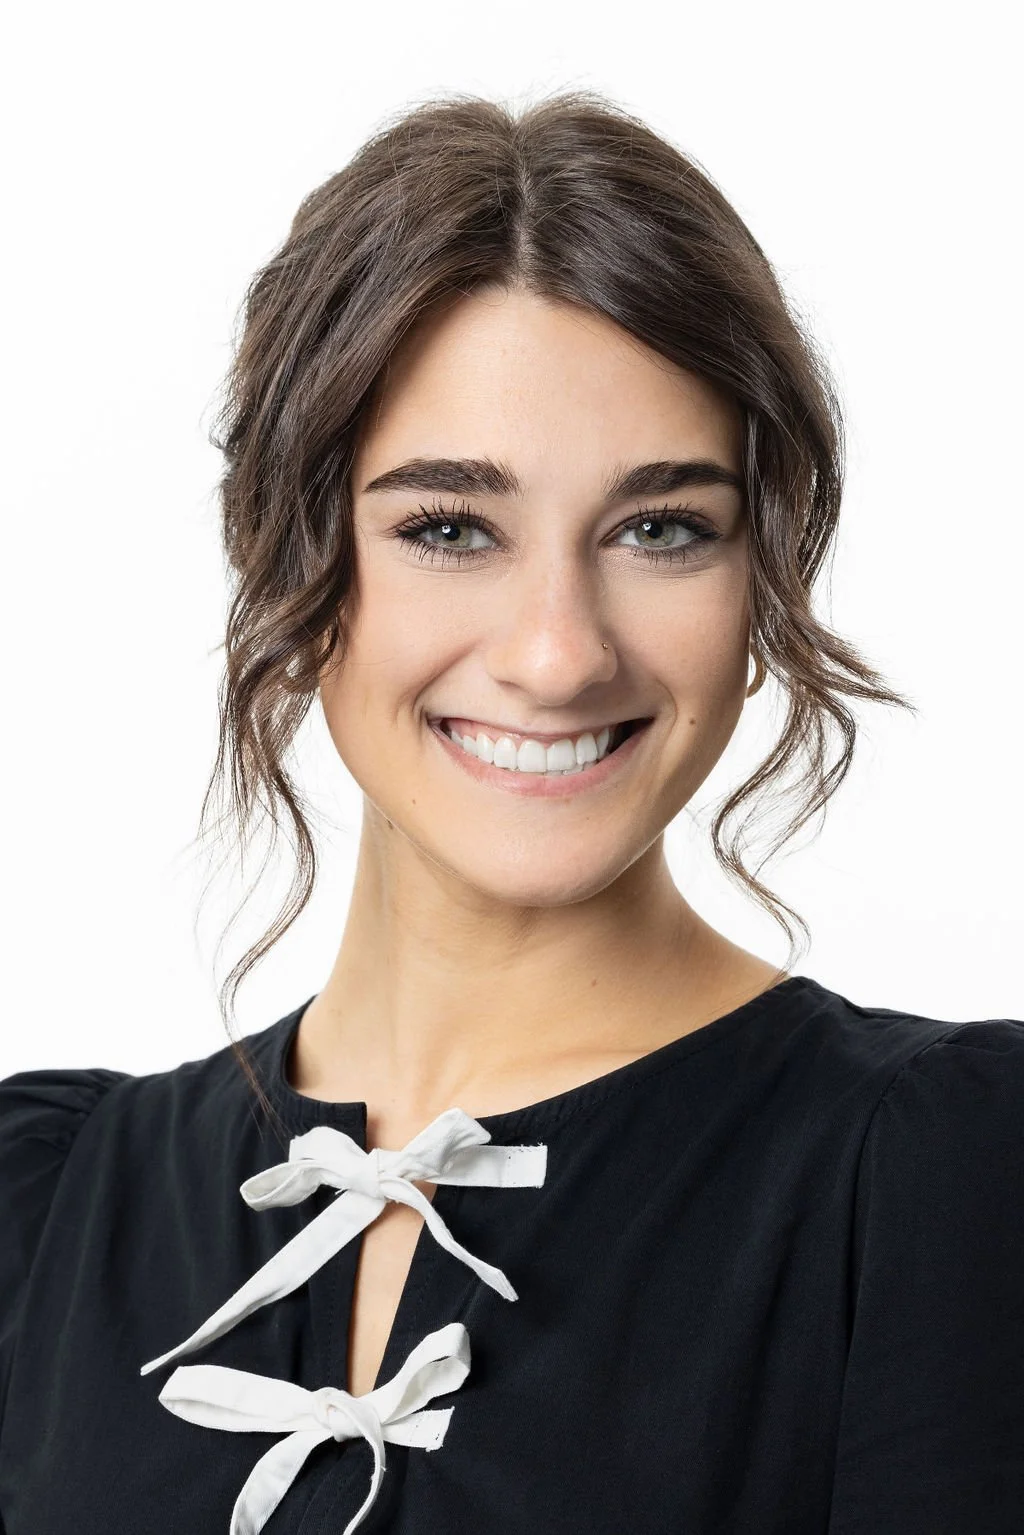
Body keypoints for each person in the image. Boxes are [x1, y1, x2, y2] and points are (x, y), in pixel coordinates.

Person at [1, 89, 1021, 1535]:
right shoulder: (48, 1208)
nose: (557, 653)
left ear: (765, 574)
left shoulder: (942, 1180)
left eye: (661, 528)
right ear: (289, 560)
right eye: (448, 528)